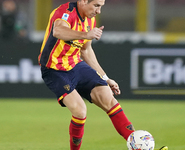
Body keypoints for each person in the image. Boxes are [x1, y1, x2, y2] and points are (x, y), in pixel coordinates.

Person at [38, 0, 134, 149]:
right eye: (96, 5)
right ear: (83, 1)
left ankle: (137, 143)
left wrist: (106, 78)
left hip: (76, 65)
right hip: (54, 70)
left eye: (101, 6)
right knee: (80, 111)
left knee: (108, 96)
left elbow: (86, 51)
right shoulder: (65, 12)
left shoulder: (89, 19)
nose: (99, 11)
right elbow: (58, 31)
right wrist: (86, 34)